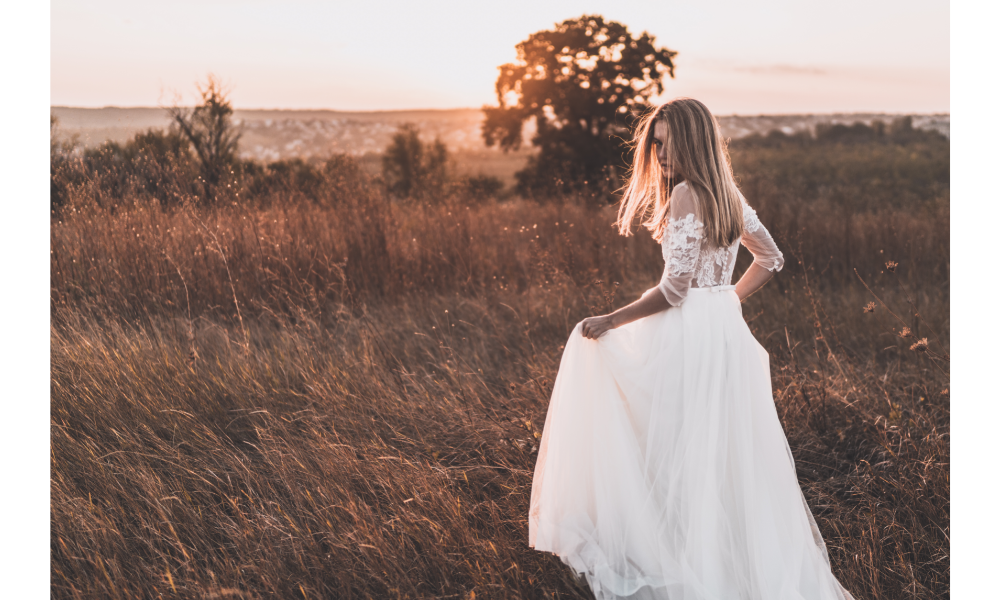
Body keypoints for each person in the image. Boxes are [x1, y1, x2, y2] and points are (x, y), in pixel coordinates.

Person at [528, 98, 856, 600]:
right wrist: (724, 302)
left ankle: (683, 565)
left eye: (664, 144)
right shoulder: (727, 193)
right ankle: (726, 565)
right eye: (654, 145)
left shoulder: (685, 194)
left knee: (665, 448)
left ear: (691, 140)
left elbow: (675, 289)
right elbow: (771, 258)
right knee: (721, 456)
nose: (658, 155)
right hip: (723, 335)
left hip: (685, 337)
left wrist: (610, 320)